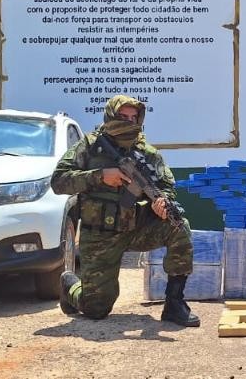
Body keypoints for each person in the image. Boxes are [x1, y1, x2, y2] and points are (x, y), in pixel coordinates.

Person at [51, 95, 199, 327]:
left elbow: (166, 186)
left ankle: (174, 304)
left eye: (133, 117)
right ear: (110, 115)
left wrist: (162, 202)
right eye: (123, 116)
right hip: (100, 234)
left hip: (136, 229)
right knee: (96, 309)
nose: (129, 122)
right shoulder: (90, 146)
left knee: (179, 226)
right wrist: (100, 176)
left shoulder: (147, 152)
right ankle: (70, 284)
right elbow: (58, 181)